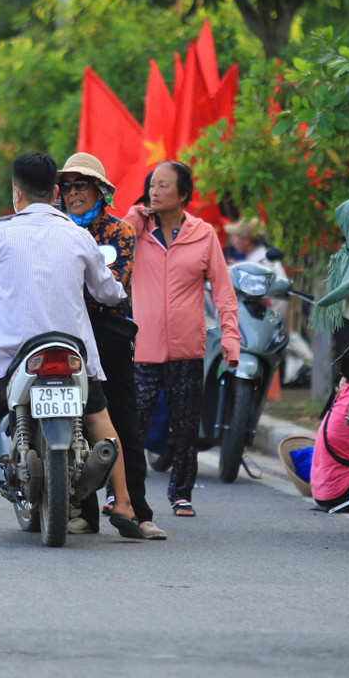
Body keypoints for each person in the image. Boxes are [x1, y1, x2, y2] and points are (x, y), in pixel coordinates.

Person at [0, 152, 146, 539]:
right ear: (54, 192)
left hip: (11, 358)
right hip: (72, 353)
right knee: (100, 421)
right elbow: (109, 291)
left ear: (17, 192)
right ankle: (126, 504)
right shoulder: (78, 236)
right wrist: (114, 294)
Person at [56, 153, 166, 540]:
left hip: (107, 331)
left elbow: (110, 288)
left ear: (99, 190)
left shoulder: (119, 232)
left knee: (122, 422)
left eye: (80, 185)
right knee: (73, 421)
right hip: (62, 328)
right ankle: (82, 512)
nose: (73, 193)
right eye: (66, 186)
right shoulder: (49, 227)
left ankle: (136, 510)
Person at [125, 160, 240, 518]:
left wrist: (231, 339)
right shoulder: (138, 230)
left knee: (186, 426)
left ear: (184, 195)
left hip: (188, 348)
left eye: (164, 186)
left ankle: (181, 493)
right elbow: (111, 255)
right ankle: (125, 493)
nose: (155, 192)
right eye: (152, 186)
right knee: (133, 426)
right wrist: (133, 218)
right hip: (141, 347)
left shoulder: (203, 235)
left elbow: (223, 291)